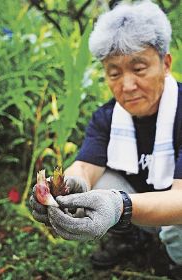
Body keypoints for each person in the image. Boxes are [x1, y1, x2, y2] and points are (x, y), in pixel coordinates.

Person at [30, 0, 182, 278]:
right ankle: (132, 238)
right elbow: (86, 167)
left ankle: (176, 260)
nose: (127, 86)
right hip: (140, 209)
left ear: (166, 63)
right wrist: (68, 186)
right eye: (114, 73)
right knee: (94, 180)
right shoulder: (108, 117)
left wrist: (119, 207)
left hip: (173, 214)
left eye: (139, 69)